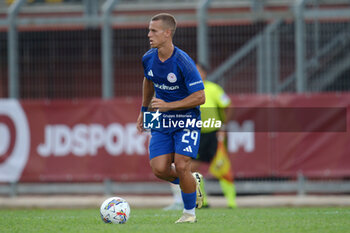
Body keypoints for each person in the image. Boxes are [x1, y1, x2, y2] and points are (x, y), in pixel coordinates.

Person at [136, 13, 205, 223]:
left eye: (153, 31)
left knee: (182, 165)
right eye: (149, 30)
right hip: (161, 119)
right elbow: (148, 81)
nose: (149, 35)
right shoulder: (148, 58)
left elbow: (200, 96)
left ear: (167, 33)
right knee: (159, 169)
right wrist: (143, 110)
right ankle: (192, 183)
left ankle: (189, 214)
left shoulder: (183, 61)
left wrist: (168, 105)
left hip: (187, 120)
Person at [164, 63, 237, 210]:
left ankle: (231, 203)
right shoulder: (186, 89)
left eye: (198, 71)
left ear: (204, 73)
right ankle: (203, 201)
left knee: (222, 167)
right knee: (192, 168)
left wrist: (223, 126)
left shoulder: (214, 89)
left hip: (214, 134)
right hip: (195, 133)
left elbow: (228, 106)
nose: (195, 73)